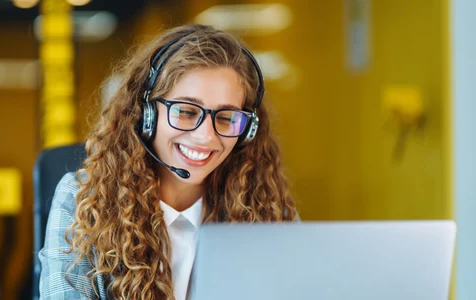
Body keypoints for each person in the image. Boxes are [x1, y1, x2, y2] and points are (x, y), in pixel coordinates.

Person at [38, 24, 299, 300]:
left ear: (247, 130)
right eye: (186, 112)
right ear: (145, 114)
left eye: (225, 117)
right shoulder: (82, 199)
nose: (205, 136)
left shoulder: (267, 205)